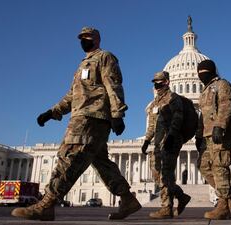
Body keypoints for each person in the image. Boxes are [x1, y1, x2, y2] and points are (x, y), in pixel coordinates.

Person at [11, 27, 141, 221]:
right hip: (82, 115)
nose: (83, 41)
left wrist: (117, 114)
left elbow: (113, 85)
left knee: (69, 155)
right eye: (81, 38)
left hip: (91, 117)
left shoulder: (105, 57)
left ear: (97, 39)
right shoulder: (82, 66)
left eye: (87, 37)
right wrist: (52, 112)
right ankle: (128, 199)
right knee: (101, 163)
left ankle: (47, 203)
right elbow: (72, 96)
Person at [195, 59, 231, 220]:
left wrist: (220, 126)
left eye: (204, 72)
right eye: (199, 73)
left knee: (219, 166)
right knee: (203, 166)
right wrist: (198, 135)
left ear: (212, 71)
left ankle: (223, 205)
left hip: (221, 133)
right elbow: (202, 116)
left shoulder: (222, 84)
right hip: (207, 135)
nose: (201, 75)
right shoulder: (205, 91)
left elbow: (225, 105)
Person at [141, 71, 191, 219]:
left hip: (170, 141)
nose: (157, 84)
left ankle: (166, 208)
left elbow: (178, 117)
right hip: (157, 143)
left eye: (160, 81)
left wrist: (172, 135)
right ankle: (181, 196)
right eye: (155, 82)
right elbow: (152, 124)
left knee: (166, 173)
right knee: (157, 174)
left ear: (167, 82)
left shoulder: (173, 98)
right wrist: (146, 140)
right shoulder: (155, 103)